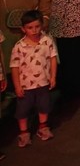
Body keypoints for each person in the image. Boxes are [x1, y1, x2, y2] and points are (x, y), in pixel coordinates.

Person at [9, 9, 57, 147]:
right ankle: (23, 133)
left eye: (37, 26)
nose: (34, 30)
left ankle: (43, 127)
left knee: (44, 106)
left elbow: (52, 58)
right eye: (30, 28)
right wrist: (17, 86)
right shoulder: (19, 47)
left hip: (43, 83)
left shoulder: (46, 41)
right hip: (26, 86)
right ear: (23, 29)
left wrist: (53, 76)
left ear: (41, 25)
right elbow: (14, 67)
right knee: (23, 109)